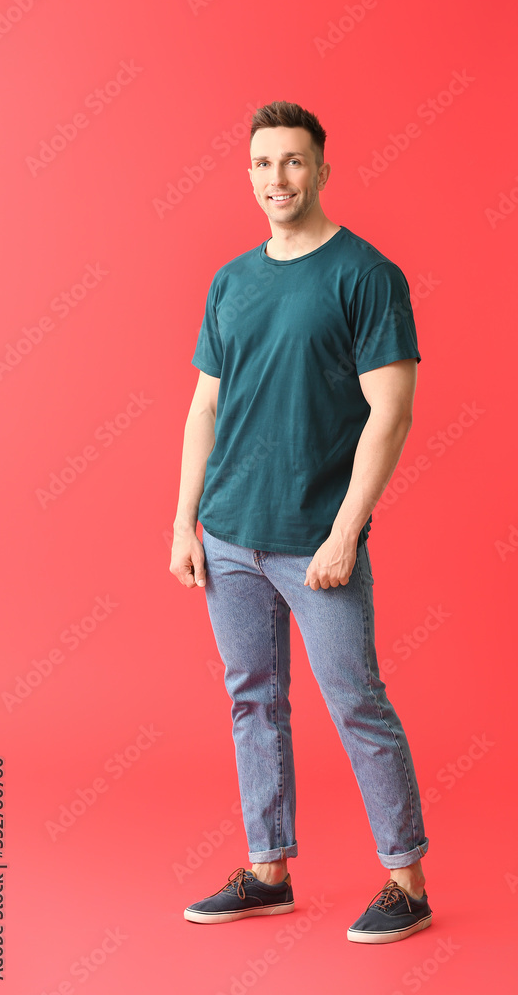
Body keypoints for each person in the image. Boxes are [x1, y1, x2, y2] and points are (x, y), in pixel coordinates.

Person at [170, 100, 431, 944]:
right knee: (253, 700)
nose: (276, 178)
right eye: (261, 164)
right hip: (229, 534)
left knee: (357, 702)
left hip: (316, 535)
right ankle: (268, 870)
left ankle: (407, 882)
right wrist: (185, 524)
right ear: (248, 174)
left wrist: (346, 531)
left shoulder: (366, 274)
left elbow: (390, 413)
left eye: (291, 161)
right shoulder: (231, 280)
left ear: (321, 168)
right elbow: (204, 407)